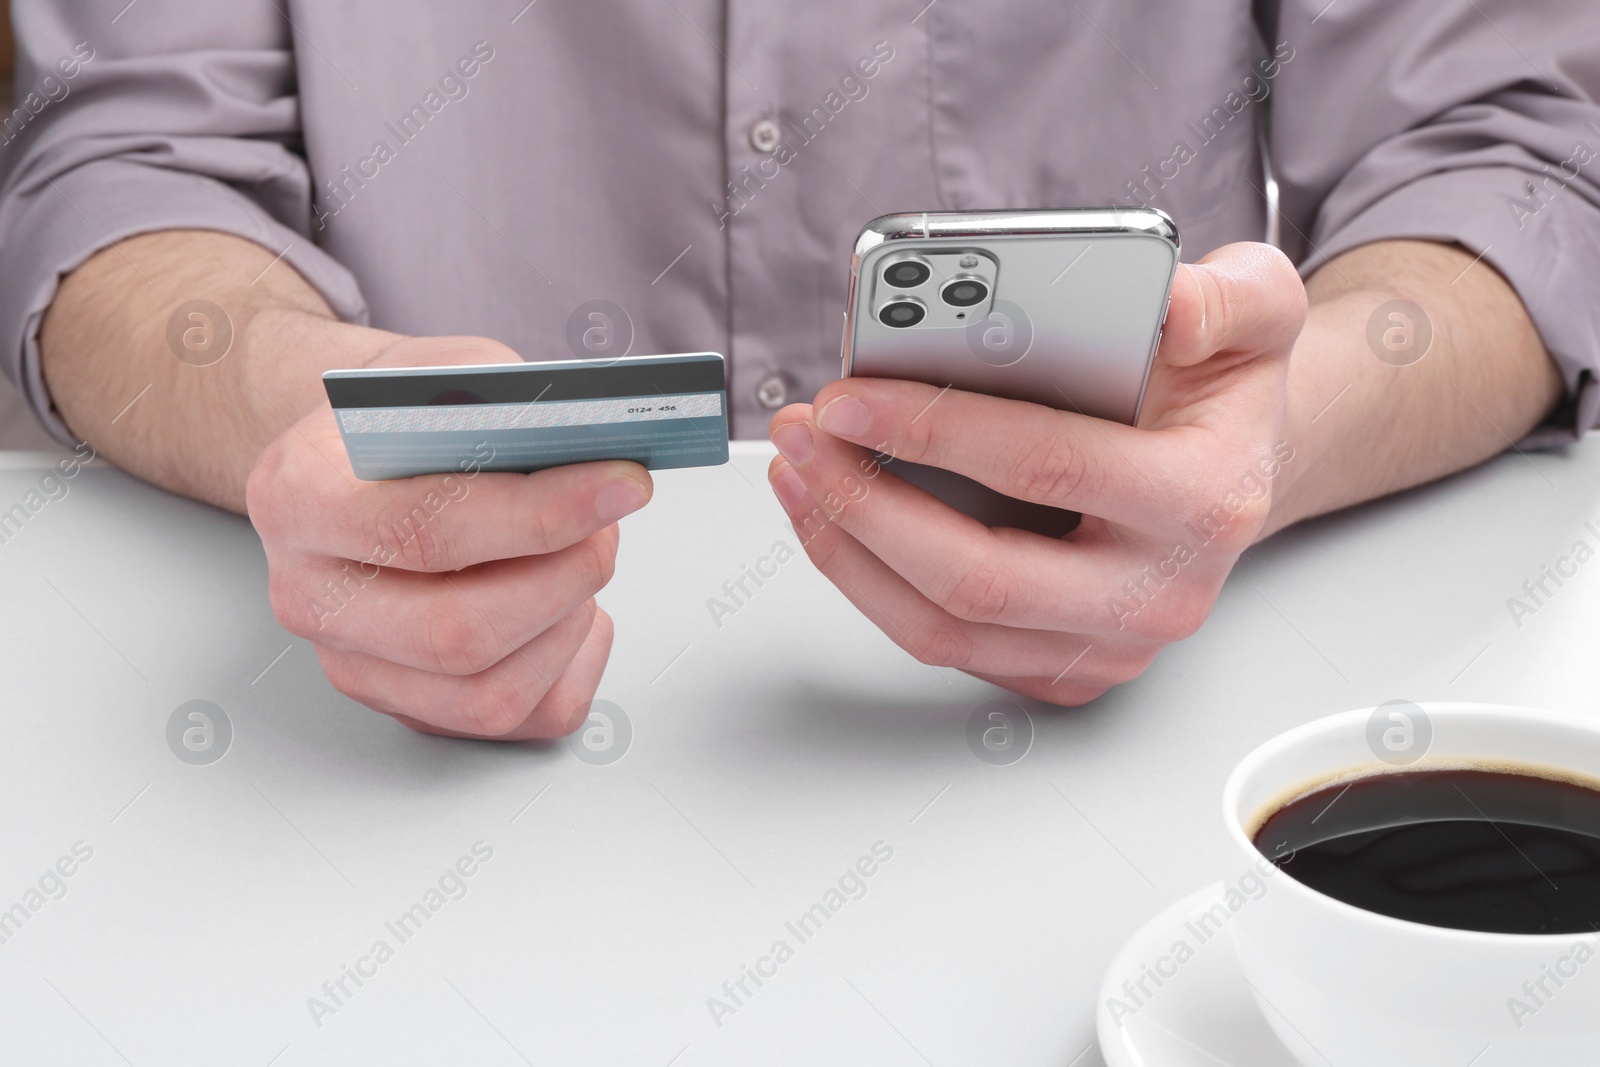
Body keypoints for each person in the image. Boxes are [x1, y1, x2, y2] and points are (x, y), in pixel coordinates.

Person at [0, 2, 1594, 739]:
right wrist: (323, 420)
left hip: (1168, 783)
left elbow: (1508, 162)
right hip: (387, 765)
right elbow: (128, 171)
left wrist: (1272, 436)